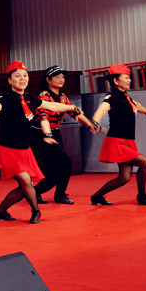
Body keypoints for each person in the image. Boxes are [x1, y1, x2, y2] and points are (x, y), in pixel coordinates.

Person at [0, 61, 79, 224]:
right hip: (7, 150)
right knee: (26, 181)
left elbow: (52, 106)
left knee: (25, 186)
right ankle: (36, 211)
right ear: (9, 80)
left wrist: (71, 108)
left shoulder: (30, 99)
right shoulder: (4, 99)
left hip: (24, 151)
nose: (22, 79)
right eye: (17, 76)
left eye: (25, 76)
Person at [89, 64, 146, 206]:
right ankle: (142, 196)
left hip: (128, 142)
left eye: (129, 78)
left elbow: (136, 105)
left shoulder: (125, 96)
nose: (129, 80)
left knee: (124, 177)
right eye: (126, 78)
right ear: (116, 81)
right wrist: (95, 122)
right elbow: (102, 109)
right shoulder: (112, 98)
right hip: (117, 142)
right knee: (145, 162)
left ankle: (97, 196)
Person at [30, 66, 97, 205]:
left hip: (55, 132)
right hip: (41, 134)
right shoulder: (44, 97)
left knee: (54, 171)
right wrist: (47, 134)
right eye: (57, 77)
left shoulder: (63, 97)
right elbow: (43, 118)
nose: (61, 80)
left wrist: (89, 124)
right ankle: (58, 194)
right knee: (66, 162)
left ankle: (35, 193)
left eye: (63, 77)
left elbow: (74, 113)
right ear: (48, 80)